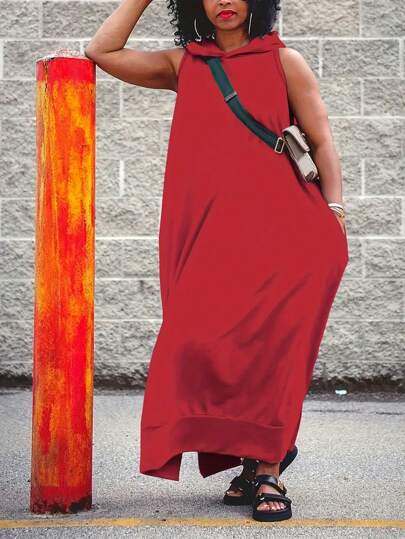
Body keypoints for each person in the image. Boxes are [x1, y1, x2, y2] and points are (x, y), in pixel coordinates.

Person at [85, 0, 349, 523]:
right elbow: (102, 51)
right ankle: (256, 454)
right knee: (197, 343)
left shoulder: (284, 61)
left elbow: (321, 140)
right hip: (212, 241)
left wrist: (336, 213)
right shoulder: (185, 64)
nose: (225, 0)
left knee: (273, 354)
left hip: (289, 236)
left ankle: (267, 469)